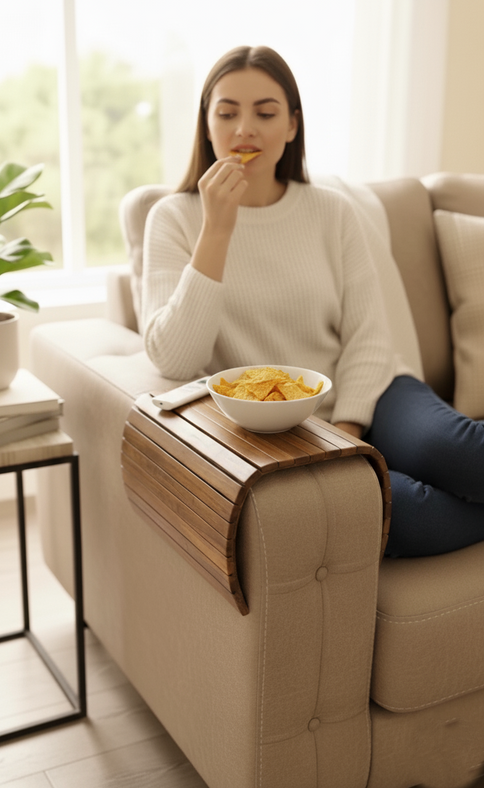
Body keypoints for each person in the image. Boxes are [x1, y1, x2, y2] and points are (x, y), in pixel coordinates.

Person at [141, 45, 484, 558]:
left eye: (265, 112)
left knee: (461, 451)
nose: (245, 129)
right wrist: (217, 230)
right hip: (273, 423)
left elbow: (369, 335)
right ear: (207, 125)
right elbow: (174, 358)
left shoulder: (332, 211)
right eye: (227, 112)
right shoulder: (173, 219)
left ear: (292, 127)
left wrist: (346, 434)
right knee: (404, 513)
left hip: (374, 390)